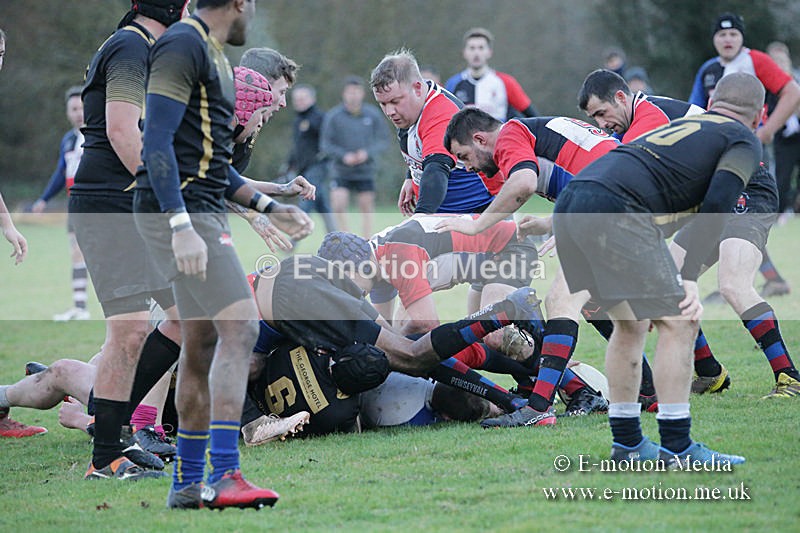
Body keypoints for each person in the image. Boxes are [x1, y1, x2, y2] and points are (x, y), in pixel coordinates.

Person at [490, 72, 765, 466]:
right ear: (758, 114)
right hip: (617, 212)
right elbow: (719, 201)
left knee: (630, 325)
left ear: (714, 99)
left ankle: (628, 443)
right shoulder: (740, 138)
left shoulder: (685, 125)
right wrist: (687, 278)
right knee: (679, 322)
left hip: (575, 200)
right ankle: (678, 445)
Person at [135, 0, 296, 510]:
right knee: (242, 329)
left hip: (197, 208)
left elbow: (216, 165)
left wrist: (267, 204)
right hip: (188, 215)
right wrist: (180, 224)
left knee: (200, 345)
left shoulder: (216, 55)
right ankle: (225, 474)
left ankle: (186, 483)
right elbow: (155, 140)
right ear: (238, 3)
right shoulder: (183, 44)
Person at [579, 68, 800, 398]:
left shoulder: (648, 117)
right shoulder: (646, 114)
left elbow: (621, 176)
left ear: (622, 99)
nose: (601, 123)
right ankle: (711, 372)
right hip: (709, 196)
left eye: (602, 112)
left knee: (733, 284)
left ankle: (789, 377)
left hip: (746, 188)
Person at [67, 0, 190, 482]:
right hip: (110, 207)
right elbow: (122, 134)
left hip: (131, 207)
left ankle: (110, 422)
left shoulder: (142, 49)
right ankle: (105, 456)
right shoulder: (130, 47)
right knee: (130, 331)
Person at [436, 108, 623, 420]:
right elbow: (583, 171)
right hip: (617, 197)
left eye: (464, 156)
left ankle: (537, 408)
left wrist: (475, 226)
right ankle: (645, 390)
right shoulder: (524, 143)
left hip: (612, 201)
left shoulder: (510, 134)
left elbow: (523, 184)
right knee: (592, 302)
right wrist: (557, 223)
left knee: (561, 300)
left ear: (481, 139)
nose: (466, 167)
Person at [371, 49, 495, 217]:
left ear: (417, 88)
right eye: (383, 104)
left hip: (478, 214)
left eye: (394, 101)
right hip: (449, 217)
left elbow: (436, 171)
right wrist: (411, 176)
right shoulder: (412, 104)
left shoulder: (441, 114)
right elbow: (421, 145)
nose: (389, 111)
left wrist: (420, 219)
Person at [32, 86, 90, 321]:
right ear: (67, 112)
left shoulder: (99, 136)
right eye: (73, 109)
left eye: (81, 108)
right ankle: (80, 307)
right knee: (76, 254)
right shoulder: (68, 140)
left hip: (95, 207)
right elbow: (60, 173)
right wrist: (44, 199)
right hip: (73, 205)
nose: (78, 113)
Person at [321, 76, 390, 237]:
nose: (353, 95)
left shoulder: (372, 114)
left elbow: (383, 140)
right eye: (350, 92)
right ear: (344, 94)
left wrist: (367, 153)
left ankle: (366, 242)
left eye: (357, 92)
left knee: (366, 207)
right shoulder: (333, 116)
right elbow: (325, 144)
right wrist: (343, 156)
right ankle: (346, 238)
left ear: (363, 93)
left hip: (365, 170)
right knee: (338, 204)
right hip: (341, 169)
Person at [445, 28, 538, 121]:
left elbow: (533, 116)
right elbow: (445, 118)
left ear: (489, 52)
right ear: (464, 52)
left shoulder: (506, 82)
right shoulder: (453, 83)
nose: (476, 53)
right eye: (472, 48)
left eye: (481, 48)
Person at [287, 83, 337, 233]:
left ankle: (294, 236)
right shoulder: (298, 120)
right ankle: (335, 236)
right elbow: (297, 146)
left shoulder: (320, 118)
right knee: (322, 203)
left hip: (318, 166)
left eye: (302, 99)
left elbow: (330, 141)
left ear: (312, 99)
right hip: (304, 168)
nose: (299, 102)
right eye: (296, 99)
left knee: (305, 199)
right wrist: (290, 164)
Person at [766, 41, 800, 222]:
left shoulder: (797, 79)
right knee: (783, 176)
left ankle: (795, 209)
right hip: (783, 138)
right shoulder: (768, 85)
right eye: (775, 59)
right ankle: (779, 212)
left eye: (782, 58)